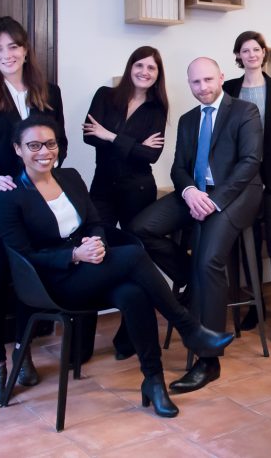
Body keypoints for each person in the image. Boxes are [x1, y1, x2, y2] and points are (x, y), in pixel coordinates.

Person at [0, 114, 234, 418]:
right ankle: (189, 328)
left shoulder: (70, 178)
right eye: (34, 145)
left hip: (89, 269)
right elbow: (24, 256)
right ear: (18, 149)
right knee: (133, 255)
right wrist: (74, 255)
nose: (44, 152)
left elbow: (94, 222)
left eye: (50, 144)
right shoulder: (7, 198)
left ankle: (154, 381)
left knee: (134, 294)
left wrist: (96, 243)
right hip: (51, 281)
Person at [131, 57, 262, 393]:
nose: (202, 88)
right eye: (195, 82)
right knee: (140, 229)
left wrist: (214, 202)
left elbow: (250, 162)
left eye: (208, 80)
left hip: (236, 194)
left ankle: (208, 360)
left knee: (209, 262)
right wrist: (190, 192)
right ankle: (191, 279)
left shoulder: (244, 111)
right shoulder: (189, 119)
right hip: (196, 192)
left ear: (221, 77)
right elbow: (178, 167)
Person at [0, 16, 66, 410]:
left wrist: (43, 171)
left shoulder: (49, 91)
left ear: (25, 50)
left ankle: (23, 355)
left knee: (29, 278)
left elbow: (60, 144)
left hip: (36, 201)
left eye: (13, 46)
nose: (7, 55)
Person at [83, 46, 168, 360]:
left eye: (152, 68)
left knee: (136, 259)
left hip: (138, 190)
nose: (145, 72)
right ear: (130, 67)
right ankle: (81, 344)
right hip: (102, 189)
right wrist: (133, 145)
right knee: (94, 254)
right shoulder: (105, 95)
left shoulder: (157, 108)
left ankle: (127, 337)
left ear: (158, 75)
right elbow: (88, 136)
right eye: (140, 65)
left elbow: (151, 155)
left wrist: (110, 136)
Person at [223, 31, 271, 343]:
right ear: (238, 56)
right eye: (245, 50)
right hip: (241, 181)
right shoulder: (229, 89)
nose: (251, 54)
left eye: (256, 49)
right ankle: (257, 306)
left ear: (264, 53)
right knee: (248, 246)